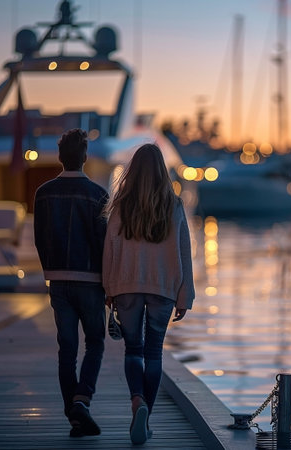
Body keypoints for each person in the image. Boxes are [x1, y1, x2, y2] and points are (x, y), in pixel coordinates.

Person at [102, 143, 195, 445]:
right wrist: (185, 295)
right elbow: (184, 252)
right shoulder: (175, 204)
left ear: (134, 170)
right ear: (161, 171)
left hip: (126, 285)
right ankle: (146, 414)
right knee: (154, 352)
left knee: (133, 349)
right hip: (164, 287)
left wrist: (109, 288)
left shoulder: (120, 206)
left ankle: (136, 401)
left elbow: (109, 251)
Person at [33, 128, 108, 438]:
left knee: (67, 349)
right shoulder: (97, 195)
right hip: (90, 281)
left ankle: (74, 413)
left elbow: (39, 239)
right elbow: (103, 243)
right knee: (96, 343)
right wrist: (109, 285)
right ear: (85, 158)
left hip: (59, 281)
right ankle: (82, 399)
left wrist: (50, 270)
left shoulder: (43, 193)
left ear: (60, 157)